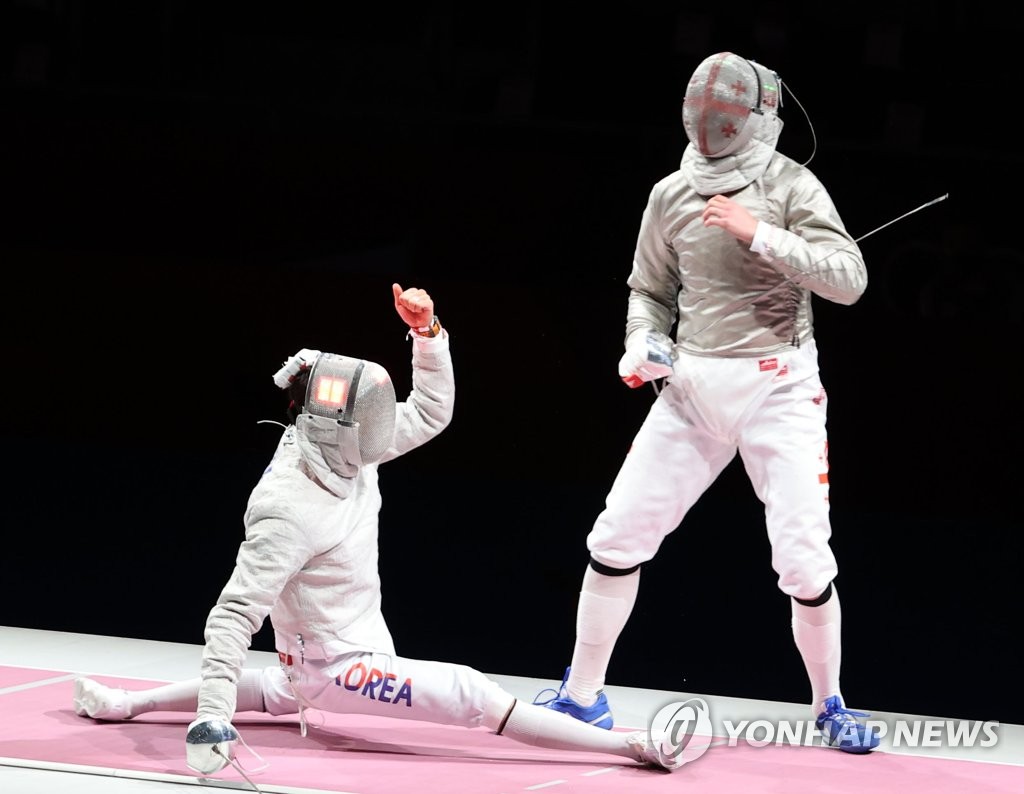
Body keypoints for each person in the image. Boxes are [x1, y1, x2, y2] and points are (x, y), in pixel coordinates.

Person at [72, 282, 682, 775]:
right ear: (341, 426)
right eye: (372, 421)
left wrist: (427, 336)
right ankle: (627, 747)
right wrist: (211, 718)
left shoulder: (347, 450)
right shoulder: (287, 507)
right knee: (468, 690)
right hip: (334, 670)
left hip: (337, 654)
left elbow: (430, 413)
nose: (384, 432)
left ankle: (128, 705)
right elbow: (233, 615)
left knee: (278, 689)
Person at [535, 51, 880, 753]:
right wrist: (643, 346)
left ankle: (830, 706)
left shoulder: (791, 184)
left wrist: (763, 234)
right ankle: (581, 696)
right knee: (615, 538)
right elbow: (650, 292)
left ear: (756, 116)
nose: (711, 117)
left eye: (725, 108)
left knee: (805, 560)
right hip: (690, 389)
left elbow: (849, 279)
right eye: (703, 105)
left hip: (778, 390)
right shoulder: (669, 194)